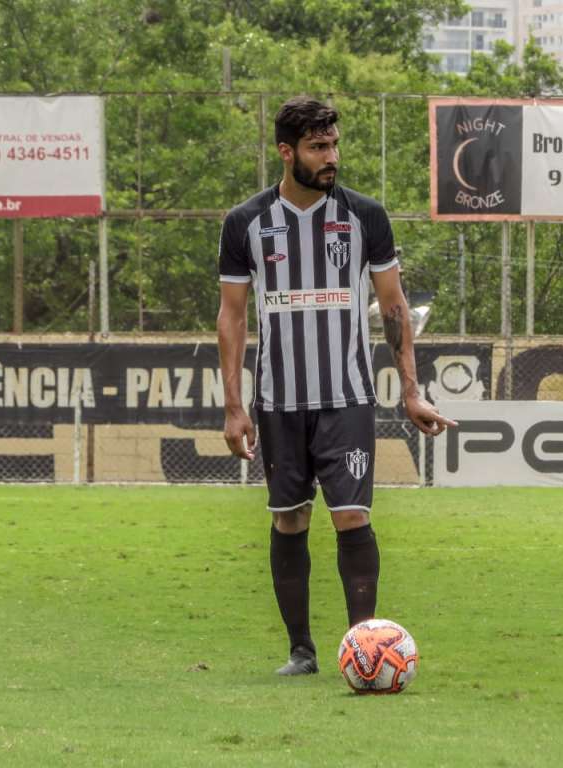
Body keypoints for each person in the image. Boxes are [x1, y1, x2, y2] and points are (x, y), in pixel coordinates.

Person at [216, 96, 455, 675]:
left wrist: (411, 389)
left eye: (334, 144)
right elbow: (232, 316)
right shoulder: (246, 222)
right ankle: (301, 652)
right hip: (277, 401)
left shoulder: (364, 216)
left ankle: (363, 647)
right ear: (286, 151)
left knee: (352, 516)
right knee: (289, 518)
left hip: (346, 398)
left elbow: (393, 305)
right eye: (318, 147)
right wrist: (232, 408)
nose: (331, 157)